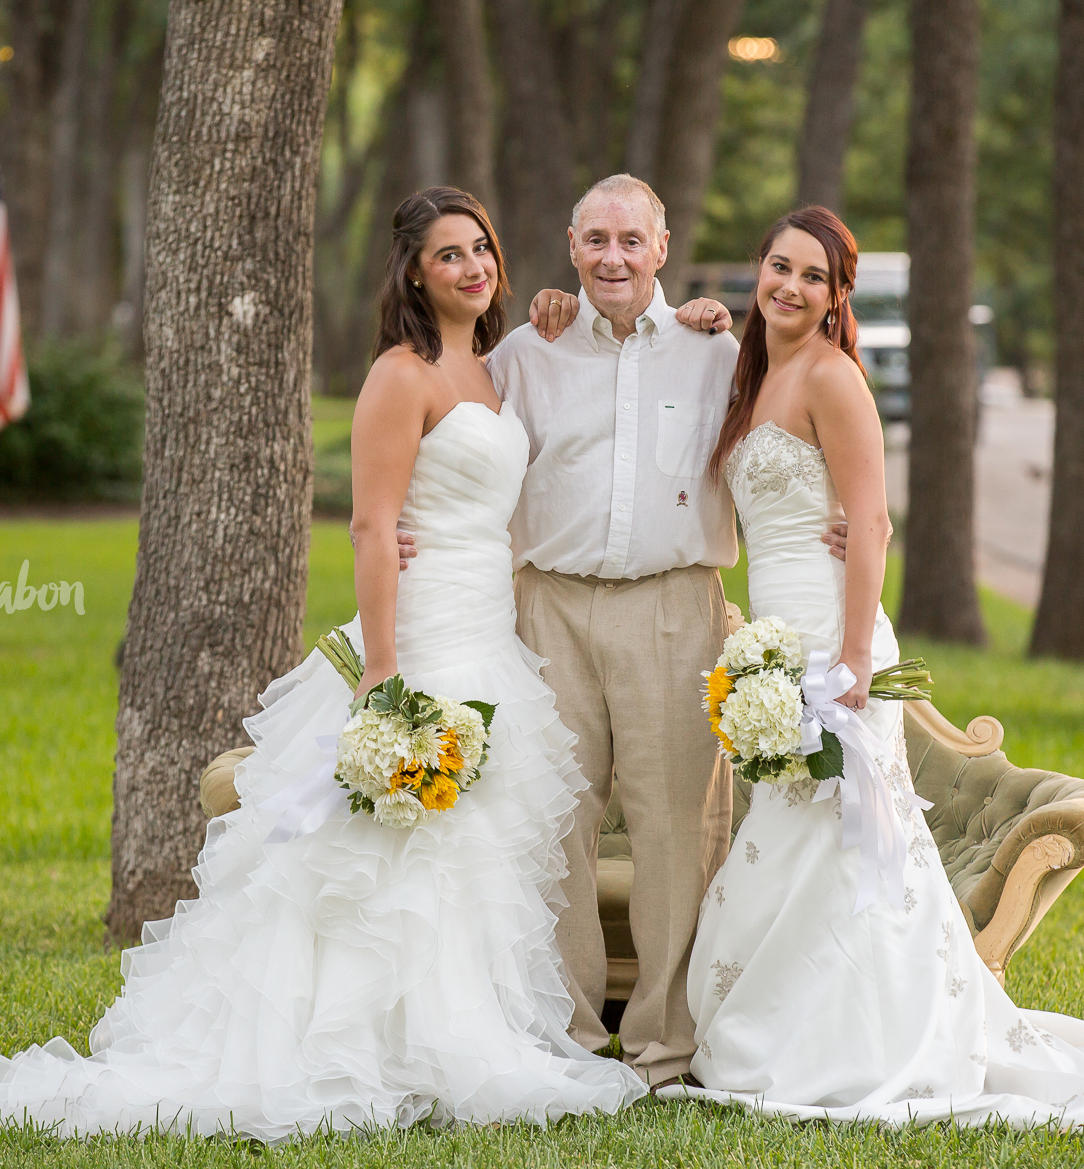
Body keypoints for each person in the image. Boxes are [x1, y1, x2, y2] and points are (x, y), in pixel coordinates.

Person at [0, 187, 646, 1142]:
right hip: (420, 632)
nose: (473, 267)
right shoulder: (400, 375)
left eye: (480, 247)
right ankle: (346, 1045)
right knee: (376, 850)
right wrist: (382, 672)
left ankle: (444, 1038)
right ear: (413, 272)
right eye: (449, 255)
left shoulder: (485, 367)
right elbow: (369, 523)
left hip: (488, 626)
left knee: (462, 849)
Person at [656, 206, 1084, 1126]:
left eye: (812, 277)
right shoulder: (755, 371)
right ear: (759, 271)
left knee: (855, 842)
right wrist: (690, 315)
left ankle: (869, 1039)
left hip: (833, 645)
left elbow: (874, 524)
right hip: (771, 645)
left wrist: (853, 657)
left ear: (835, 295)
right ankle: (784, 1028)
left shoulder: (832, 377)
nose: (789, 286)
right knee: (789, 832)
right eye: (778, 267)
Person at [481, 174, 743, 1090]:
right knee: (555, 820)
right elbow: (467, 463)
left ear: (663, 247)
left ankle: (663, 1050)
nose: (613, 258)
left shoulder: (715, 354)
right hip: (546, 603)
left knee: (677, 827)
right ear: (569, 244)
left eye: (631, 240)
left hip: (674, 603)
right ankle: (569, 1037)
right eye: (595, 239)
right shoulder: (526, 350)